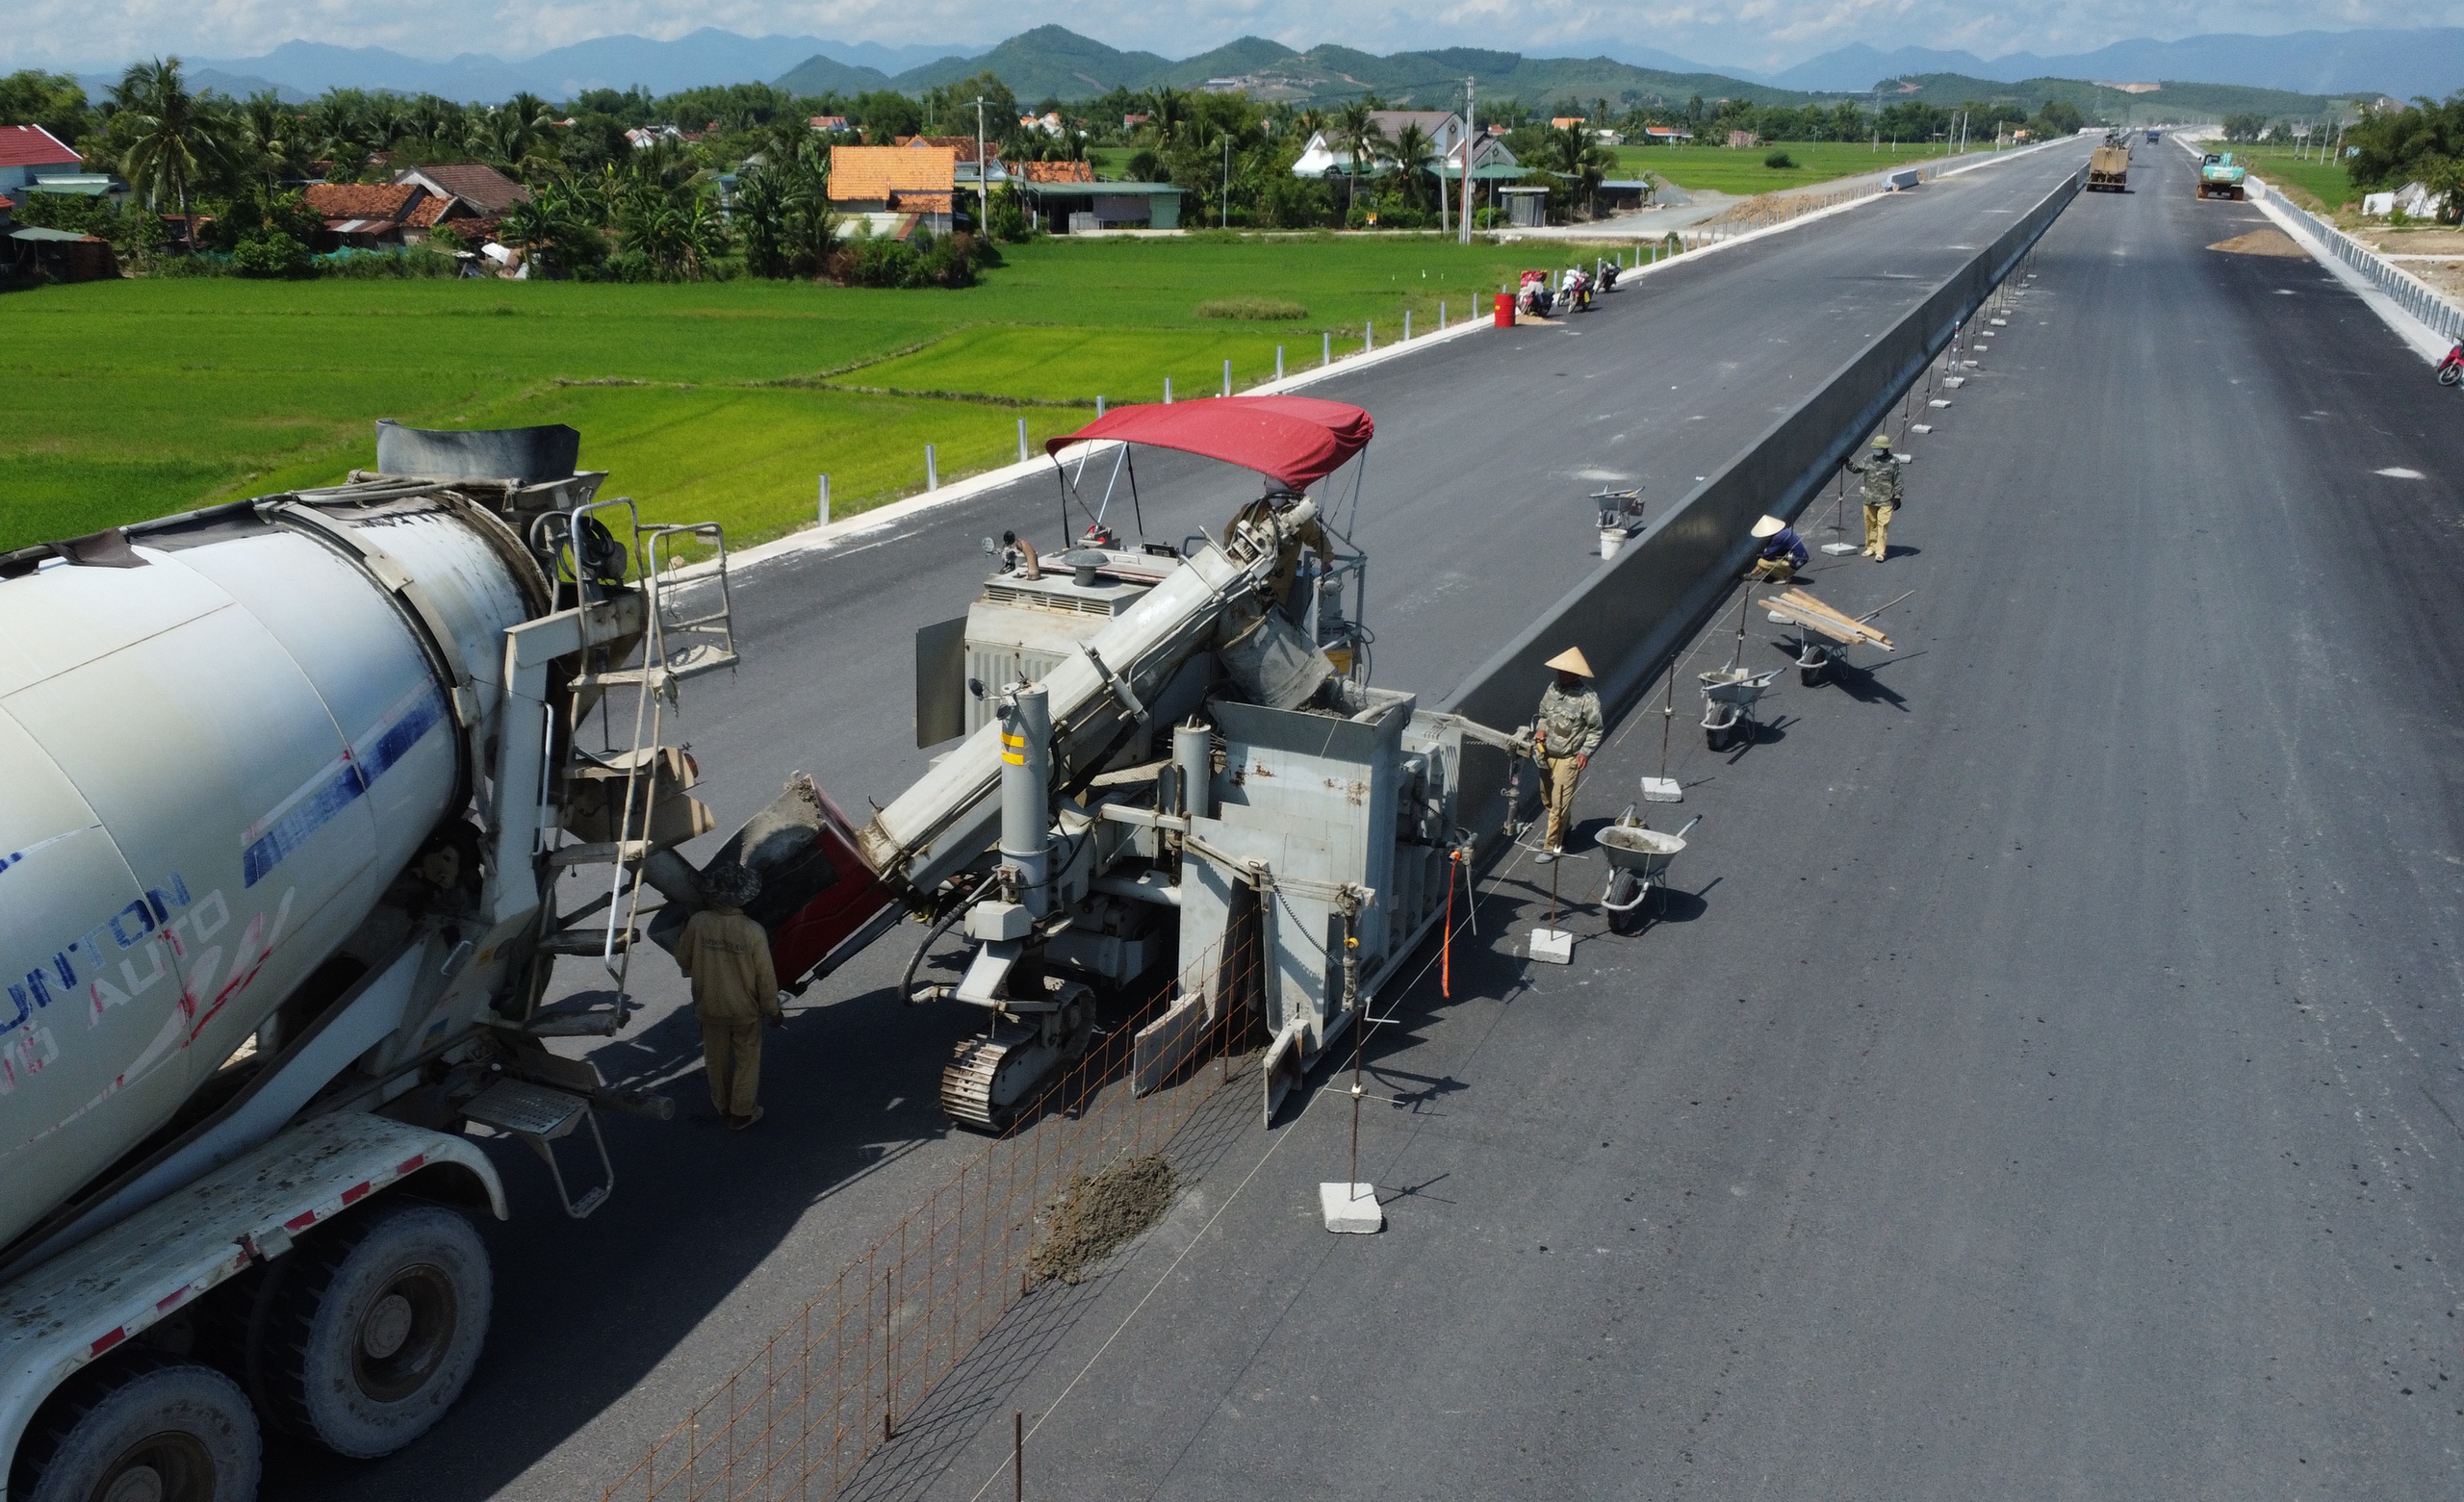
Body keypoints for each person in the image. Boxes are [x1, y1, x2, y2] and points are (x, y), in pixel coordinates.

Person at [675, 865, 782, 1131]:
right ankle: (742, 1112)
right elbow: (765, 978)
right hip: (745, 1010)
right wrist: (773, 1010)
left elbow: (683, 960)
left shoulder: (698, 923)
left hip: (709, 1007)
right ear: (744, 897)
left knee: (716, 1059)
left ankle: (722, 1104)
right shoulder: (753, 931)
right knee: (747, 1059)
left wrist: (684, 934)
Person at [1531, 647, 1603, 863]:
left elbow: (1595, 729)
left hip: (1568, 758)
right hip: (1546, 753)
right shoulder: (1553, 688)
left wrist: (1585, 753)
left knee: (1559, 804)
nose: (1561, 674)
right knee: (1548, 799)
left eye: (1565, 671)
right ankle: (1563, 830)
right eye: (1560, 670)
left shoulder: (1588, 698)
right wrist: (1541, 729)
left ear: (1576, 673)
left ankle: (1552, 846)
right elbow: (1543, 715)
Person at [1846, 432, 1903, 562]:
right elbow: (1856, 469)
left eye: (1878, 448)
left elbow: (1898, 480)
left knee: (1883, 525)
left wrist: (1898, 496)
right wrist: (1847, 462)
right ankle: (1871, 547)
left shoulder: (1893, 462)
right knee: (1869, 524)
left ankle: (1880, 551)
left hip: (1886, 500)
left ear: (1885, 449)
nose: (1875, 450)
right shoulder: (1868, 459)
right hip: (1869, 499)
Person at [1746, 515, 1810, 583]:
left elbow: (1768, 555)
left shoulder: (1778, 538)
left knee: (1761, 562)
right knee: (1767, 559)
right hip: (1800, 558)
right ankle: (1782, 571)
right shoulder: (1784, 531)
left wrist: (1759, 565)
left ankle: (1784, 577)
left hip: (1795, 562)